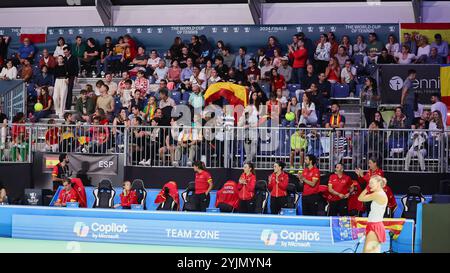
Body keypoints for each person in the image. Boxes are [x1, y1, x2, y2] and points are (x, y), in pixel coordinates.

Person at [358, 175, 388, 253]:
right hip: (373, 225)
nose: (369, 185)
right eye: (369, 183)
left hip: (375, 226)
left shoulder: (377, 194)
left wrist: (366, 189)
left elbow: (360, 198)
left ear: (378, 183)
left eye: (371, 183)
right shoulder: (378, 193)